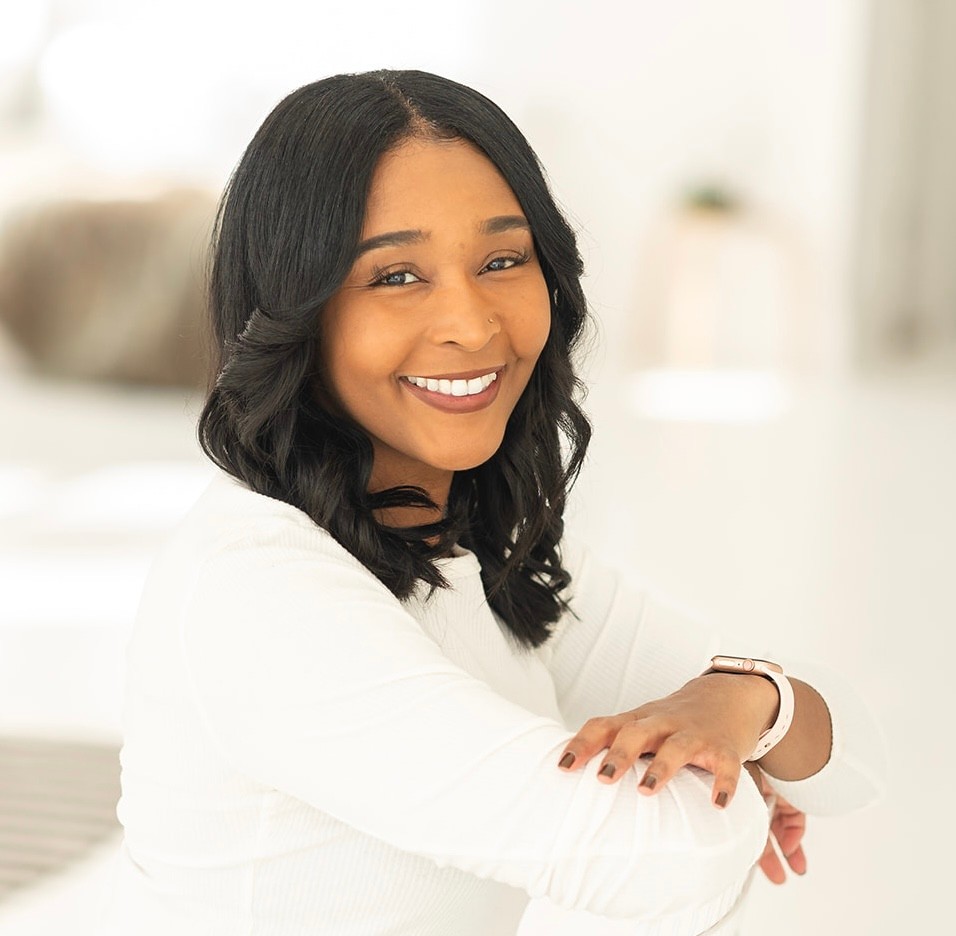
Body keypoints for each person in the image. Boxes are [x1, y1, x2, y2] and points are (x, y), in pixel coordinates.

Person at [98, 69, 886, 936]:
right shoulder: (257, 593)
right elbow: (672, 858)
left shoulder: (474, 542)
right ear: (296, 310)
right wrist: (742, 757)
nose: (473, 325)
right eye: (396, 276)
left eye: (502, 260)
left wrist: (744, 705)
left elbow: (854, 753)